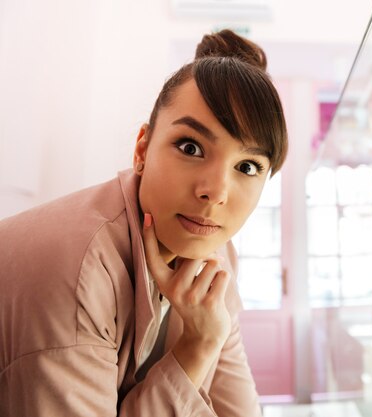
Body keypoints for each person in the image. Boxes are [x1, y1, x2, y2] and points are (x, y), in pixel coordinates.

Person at [0, 29, 287, 416]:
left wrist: (210, 335)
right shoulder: (77, 270)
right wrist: (198, 346)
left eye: (247, 166)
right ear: (142, 149)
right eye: (191, 147)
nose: (215, 192)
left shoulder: (216, 258)